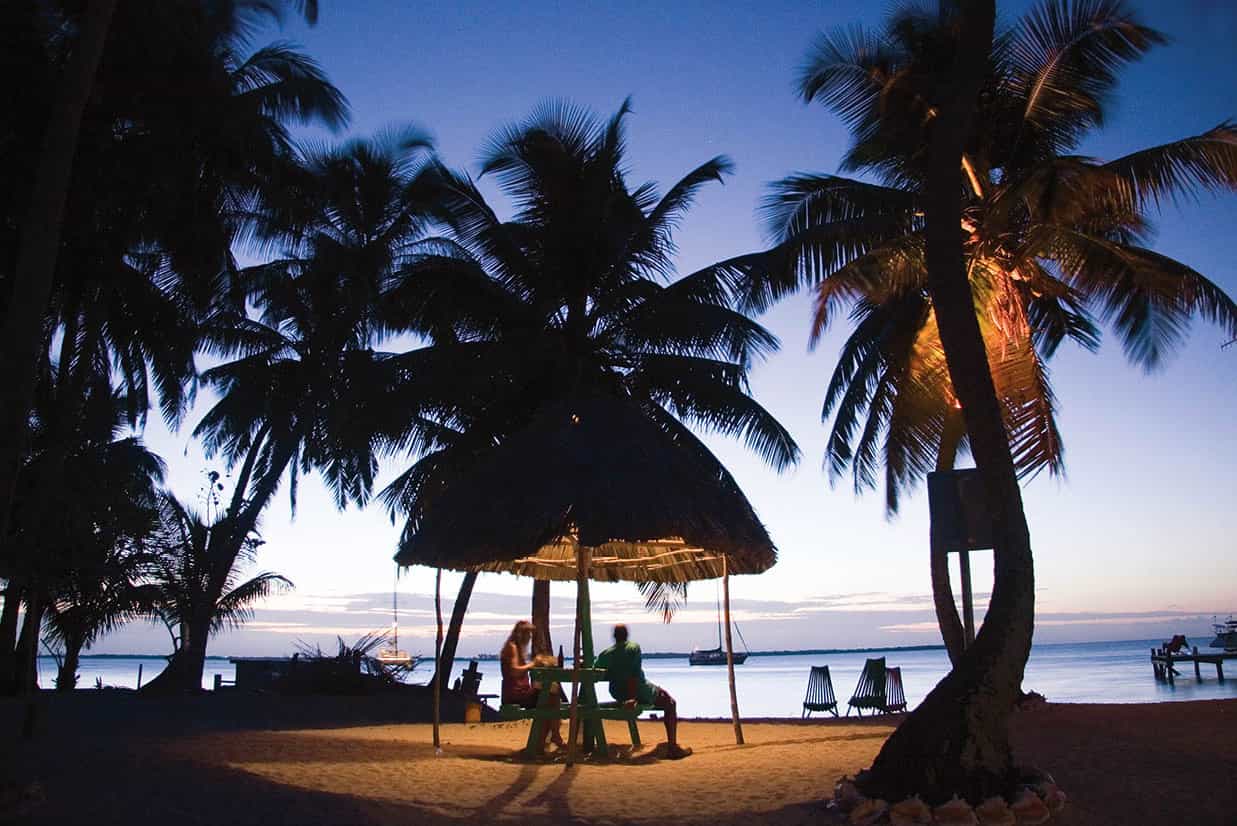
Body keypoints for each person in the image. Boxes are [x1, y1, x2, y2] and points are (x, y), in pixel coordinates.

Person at [594, 623, 687, 758]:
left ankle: (671, 746)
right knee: (670, 703)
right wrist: (632, 698)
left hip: (618, 693)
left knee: (657, 694)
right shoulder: (633, 648)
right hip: (638, 691)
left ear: (614, 636)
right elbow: (634, 675)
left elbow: (595, 669)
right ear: (627, 635)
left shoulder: (605, 654)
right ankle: (672, 747)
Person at [500, 620, 563, 748]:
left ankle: (543, 741)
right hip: (516, 695)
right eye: (527, 634)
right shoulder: (512, 648)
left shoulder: (518, 648)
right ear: (520, 634)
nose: (529, 637)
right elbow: (514, 671)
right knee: (552, 694)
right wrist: (533, 664)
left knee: (552, 694)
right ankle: (551, 737)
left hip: (522, 692)